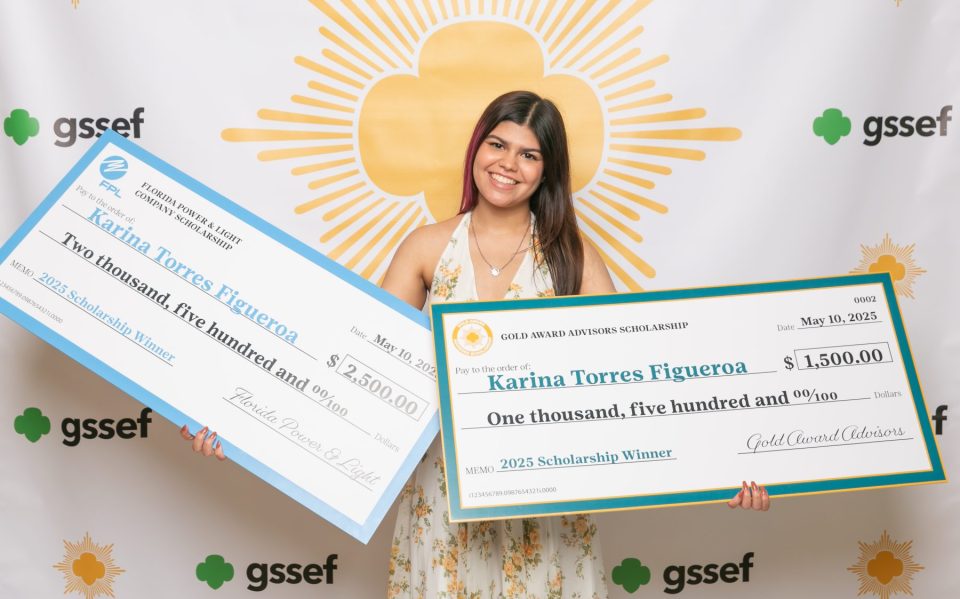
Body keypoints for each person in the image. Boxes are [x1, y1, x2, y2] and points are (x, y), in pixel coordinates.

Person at [182, 91, 769, 598]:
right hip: (443, 501)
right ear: (476, 149)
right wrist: (246, 424)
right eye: (497, 144)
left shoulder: (575, 258)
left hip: (547, 504)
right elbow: (356, 371)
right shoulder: (426, 248)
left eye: (529, 154)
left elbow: (634, 381)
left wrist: (722, 467)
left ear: (548, 170)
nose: (508, 164)